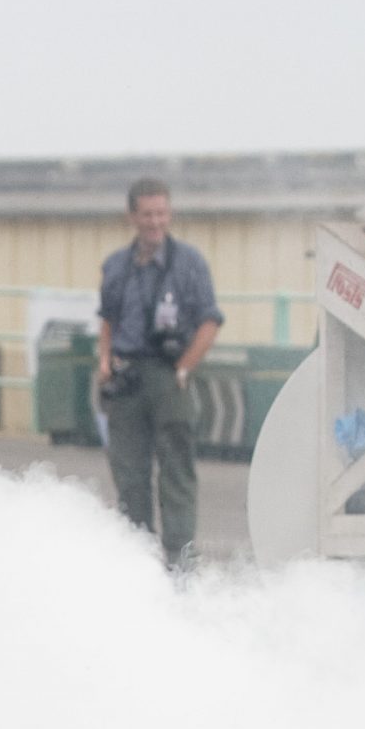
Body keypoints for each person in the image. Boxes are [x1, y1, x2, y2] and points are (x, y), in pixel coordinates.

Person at [94, 178, 225, 567]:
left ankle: (181, 556)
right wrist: (105, 363)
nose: (155, 222)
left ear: (171, 215)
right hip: (128, 374)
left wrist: (185, 369)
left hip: (170, 374)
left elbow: (210, 320)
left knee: (177, 471)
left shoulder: (189, 262)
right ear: (132, 216)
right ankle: (138, 558)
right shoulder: (116, 265)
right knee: (129, 474)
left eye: (162, 213)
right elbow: (107, 318)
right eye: (148, 214)